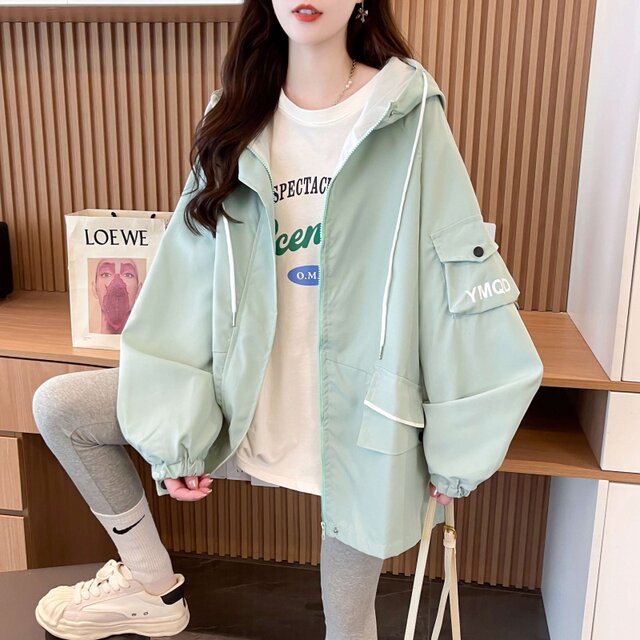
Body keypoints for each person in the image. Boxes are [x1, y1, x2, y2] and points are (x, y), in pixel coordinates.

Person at [31, 1, 544, 639]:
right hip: (241, 409)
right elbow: (186, 279)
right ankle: (151, 584)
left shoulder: (407, 114)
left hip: (362, 419)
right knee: (62, 407)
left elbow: (454, 272)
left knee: (350, 627)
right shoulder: (235, 117)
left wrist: (457, 445)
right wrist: (176, 433)